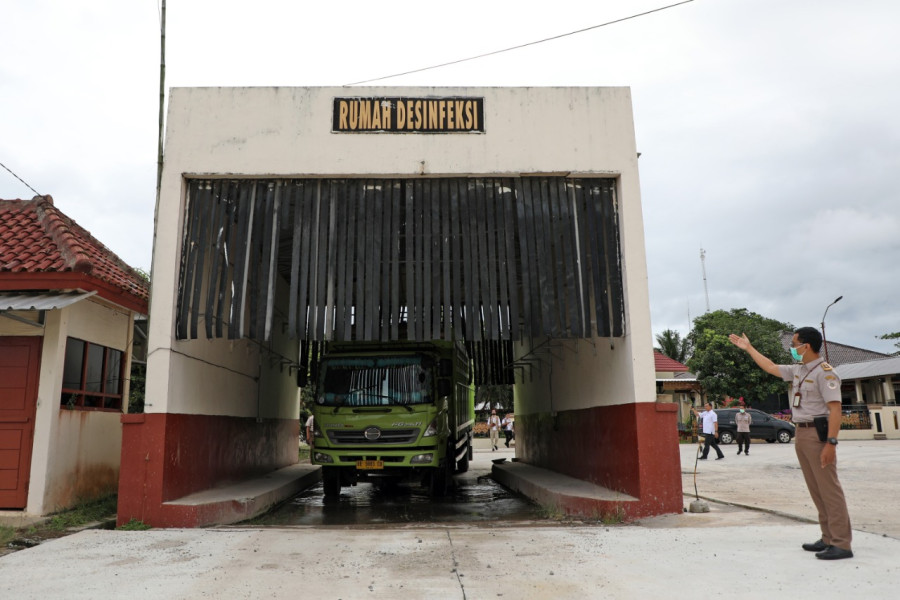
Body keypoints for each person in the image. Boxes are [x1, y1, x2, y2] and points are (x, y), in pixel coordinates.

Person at [729, 327, 852, 560]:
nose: (792, 348)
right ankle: (827, 537)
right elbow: (771, 367)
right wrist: (749, 348)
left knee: (829, 489)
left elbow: (835, 410)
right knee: (816, 489)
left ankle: (841, 543)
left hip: (818, 434)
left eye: (795, 344)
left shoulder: (825, 373)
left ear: (806, 346)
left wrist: (831, 443)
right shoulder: (799, 370)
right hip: (802, 433)